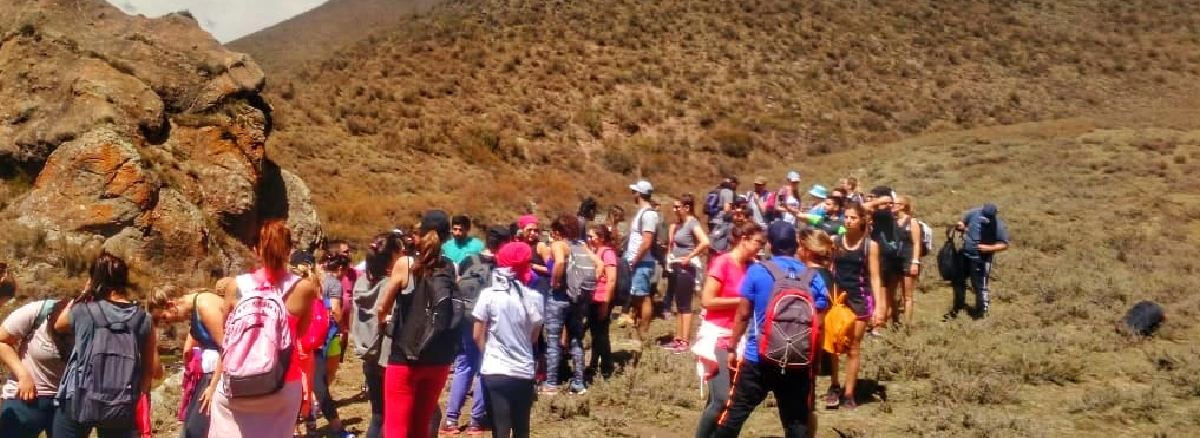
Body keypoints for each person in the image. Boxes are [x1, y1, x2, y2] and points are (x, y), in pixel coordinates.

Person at [714, 222, 829, 438]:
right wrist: (816, 362)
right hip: (798, 360)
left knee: (734, 415)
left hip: (758, 358)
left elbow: (743, 314)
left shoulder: (757, 271)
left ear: (770, 245)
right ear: (797, 245)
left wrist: (731, 347)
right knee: (797, 423)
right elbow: (819, 326)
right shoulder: (814, 277)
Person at [208, 221, 320, 438]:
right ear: (289, 250)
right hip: (281, 385)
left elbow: (227, 334)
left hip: (236, 385)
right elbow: (301, 333)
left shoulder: (235, 286)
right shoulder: (304, 288)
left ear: (256, 249)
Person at [49, 252, 156, 438]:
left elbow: (58, 324)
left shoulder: (83, 311)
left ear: (95, 279)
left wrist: (85, 292)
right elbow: (149, 370)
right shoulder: (143, 319)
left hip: (78, 398)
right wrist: (137, 398)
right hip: (122, 403)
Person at [379, 210, 461, 438]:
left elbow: (383, 306)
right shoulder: (452, 267)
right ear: (447, 237)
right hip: (438, 357)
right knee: (420, 427)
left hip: (405, 356)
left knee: (396, 427)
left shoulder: (405, 264)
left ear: (420, 233)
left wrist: (383, 321)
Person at [692, 221, 762, 438]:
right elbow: (707, 300)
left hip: (737, 338)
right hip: (717, 336)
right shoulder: (723, 262)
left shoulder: (752, 267)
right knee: (722, 399)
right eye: (758, 242)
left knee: (723, 400)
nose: (761, 247)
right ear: (744, 240)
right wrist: (741, 300)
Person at [441, 225, 510, 435]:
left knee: (463, 365)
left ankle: (451, 419)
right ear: (504, 243)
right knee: (482, 368)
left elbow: (457, 284)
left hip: (466, 316)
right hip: (489, 320)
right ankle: (476, 421)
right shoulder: (503, 266)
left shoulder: (469, 260)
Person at [473, 242, 545, 438]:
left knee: (500, 428)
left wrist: (488, 353)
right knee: (522, 429)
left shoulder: (488, 295)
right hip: (523, 370)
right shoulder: (535, 298)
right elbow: (533, 337)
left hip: (495, 369)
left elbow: (477, 334)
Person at [824, 203, 882, 409]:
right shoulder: (835, 242)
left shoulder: (870, 246)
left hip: (860, 299)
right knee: (833, 344)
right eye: (846, 217)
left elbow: (875, 277)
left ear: (862, 220)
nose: (848, 221)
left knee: (853, 347)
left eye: (853, 218)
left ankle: (849, 393)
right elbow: (829, 268)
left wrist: (878, 307)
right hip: (837, 299)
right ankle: (834, 385)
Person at [353, 232, 407, 438]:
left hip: (369, 355)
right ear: (393, 256)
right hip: (388, 358)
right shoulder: (393, 285)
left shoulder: (361, 283)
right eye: (401, 252)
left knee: (377, 415)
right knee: (393, 417)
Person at [0, 292, 69, 438]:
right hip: (26, 397)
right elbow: (2, 341)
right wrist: (23, 375)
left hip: (67, 403)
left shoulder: (95, 323)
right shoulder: (38, 311)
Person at [170, 285, 228, 438]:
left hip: (216, 375)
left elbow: (226, 347)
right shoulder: (196, 309)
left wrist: (212, 387)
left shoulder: (205, 306)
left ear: (171, 305)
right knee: (192, 428)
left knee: (196, 429)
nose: (169, 322)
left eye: (164, 317)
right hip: (209, 374)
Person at [542, 215, 588, 395]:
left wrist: (555, 281)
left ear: (557, 231)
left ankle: (551, 383)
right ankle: (579, 382)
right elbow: (599, 264)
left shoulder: (559, 245)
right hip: (577, 299)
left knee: (553, 340)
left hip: (559, 298)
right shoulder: (582, 246)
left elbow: (560, 262)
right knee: (576, 339)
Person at [663, 194, 710, 354]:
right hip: (677, 265)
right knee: (679, 303)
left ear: (686, 207)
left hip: (687, 267)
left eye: (678, 207)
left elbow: (705, 242)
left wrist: (689, 256)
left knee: (685, 305)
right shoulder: (679, 224)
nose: (675, 209)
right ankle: (678, 338)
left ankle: (684, 341)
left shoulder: (692, 223)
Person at [948, 203, 1010, 320]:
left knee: (979, 285)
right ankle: (958, 306)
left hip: (981, 259)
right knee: (959, 282)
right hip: (965, 255)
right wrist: (961, 226)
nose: (985, 218)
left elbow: (1004, 244)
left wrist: (989, 248)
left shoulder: (998, 225)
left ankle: (982, 311)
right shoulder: (974, 213)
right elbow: (963, 222)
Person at [626, 180, 660, 343]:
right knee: (637, 296)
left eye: (634, 192)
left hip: (641, 262)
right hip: (637, 261)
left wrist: (635, 259)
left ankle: (644, 332)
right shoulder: (643, 213)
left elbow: (646, 242)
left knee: (644, 296)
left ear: (639, 194)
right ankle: (636, 325)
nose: (633, 195)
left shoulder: (648, 215)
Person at [584, 225, 618, 379]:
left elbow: (611, 280)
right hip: (594, 298)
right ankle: (594, 365)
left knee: (602, 334)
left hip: (602, 298)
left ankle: (606, 368)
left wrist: (605, 303)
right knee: (596, 334)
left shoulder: (607, 253)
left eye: (592, 236)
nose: (589, 239)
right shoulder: (597, 252)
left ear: (601, 238)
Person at [894, 196, 924, 326]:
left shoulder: (912, 222)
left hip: (908, 261)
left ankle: (907, 325)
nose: (892, 205)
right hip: (894, 261)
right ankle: (895, 321)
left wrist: (915, 262)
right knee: (893, 294)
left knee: (907, 295)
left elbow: (917, 243)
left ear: (902, 206)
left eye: (895, 203)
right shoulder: (893, 221)